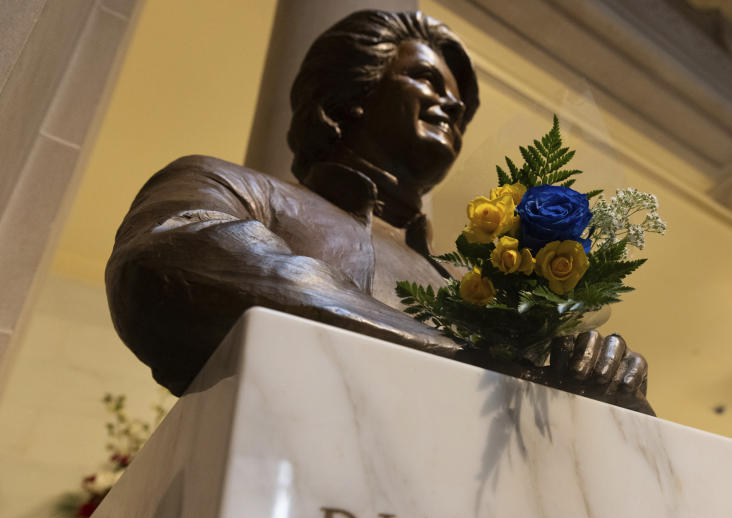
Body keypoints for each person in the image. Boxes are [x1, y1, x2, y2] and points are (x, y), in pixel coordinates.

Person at [106, 10, 652, 413]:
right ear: (348, 98)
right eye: (426, 79)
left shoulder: (473, 278)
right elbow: (166, 262)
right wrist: (472, 361)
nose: (454, 104)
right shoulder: (231, 184)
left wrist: (600, 375)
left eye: (458, 99)